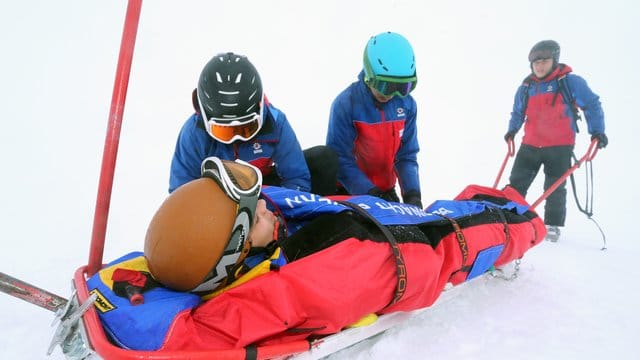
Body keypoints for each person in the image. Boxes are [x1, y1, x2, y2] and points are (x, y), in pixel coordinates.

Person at [86, 156, 545, 352]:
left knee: (450, 211)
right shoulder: (278, 292)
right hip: (407, 253)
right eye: (254, 212)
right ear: (236, 248)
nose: (265, 203)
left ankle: (493, 204)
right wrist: (526, 226)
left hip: (367, 218)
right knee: (469, 233)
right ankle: (522, 217)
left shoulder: (234, 247)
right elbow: (189, 338)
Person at [169, 52, 337, 195]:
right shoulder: (193, 134)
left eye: (246, 128)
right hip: (218, 200)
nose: (236, 138)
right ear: (205, 118)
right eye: (224, 131)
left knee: (323, 160)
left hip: (261, 194)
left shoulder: (276, 122)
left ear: (260, 110)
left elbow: (296, 177)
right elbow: (181, 192)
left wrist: (277, 217)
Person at [504, 40, 607, 242]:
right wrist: (511, 131)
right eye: (536, 62)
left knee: (555, 188)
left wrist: (597, 132)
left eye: (544, 61)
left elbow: (592, 105)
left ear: (554, 61)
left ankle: (552, 226)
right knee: (516, 184)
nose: (540, 66)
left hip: (559, 146)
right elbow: (517, 112)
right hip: (530, 144)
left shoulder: (569, 82)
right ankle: (508, 218)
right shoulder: (526, 88)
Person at [326, 32, 422, 208]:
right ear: (369, 76)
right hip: (350, 189)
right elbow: (340, 158)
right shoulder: (346, 104)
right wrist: (369, 193)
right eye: (385, 86)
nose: (392, 94)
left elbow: (406, 155)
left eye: (403, 87)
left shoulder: (407, 106)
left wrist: (412, 194)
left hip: (385, 191)